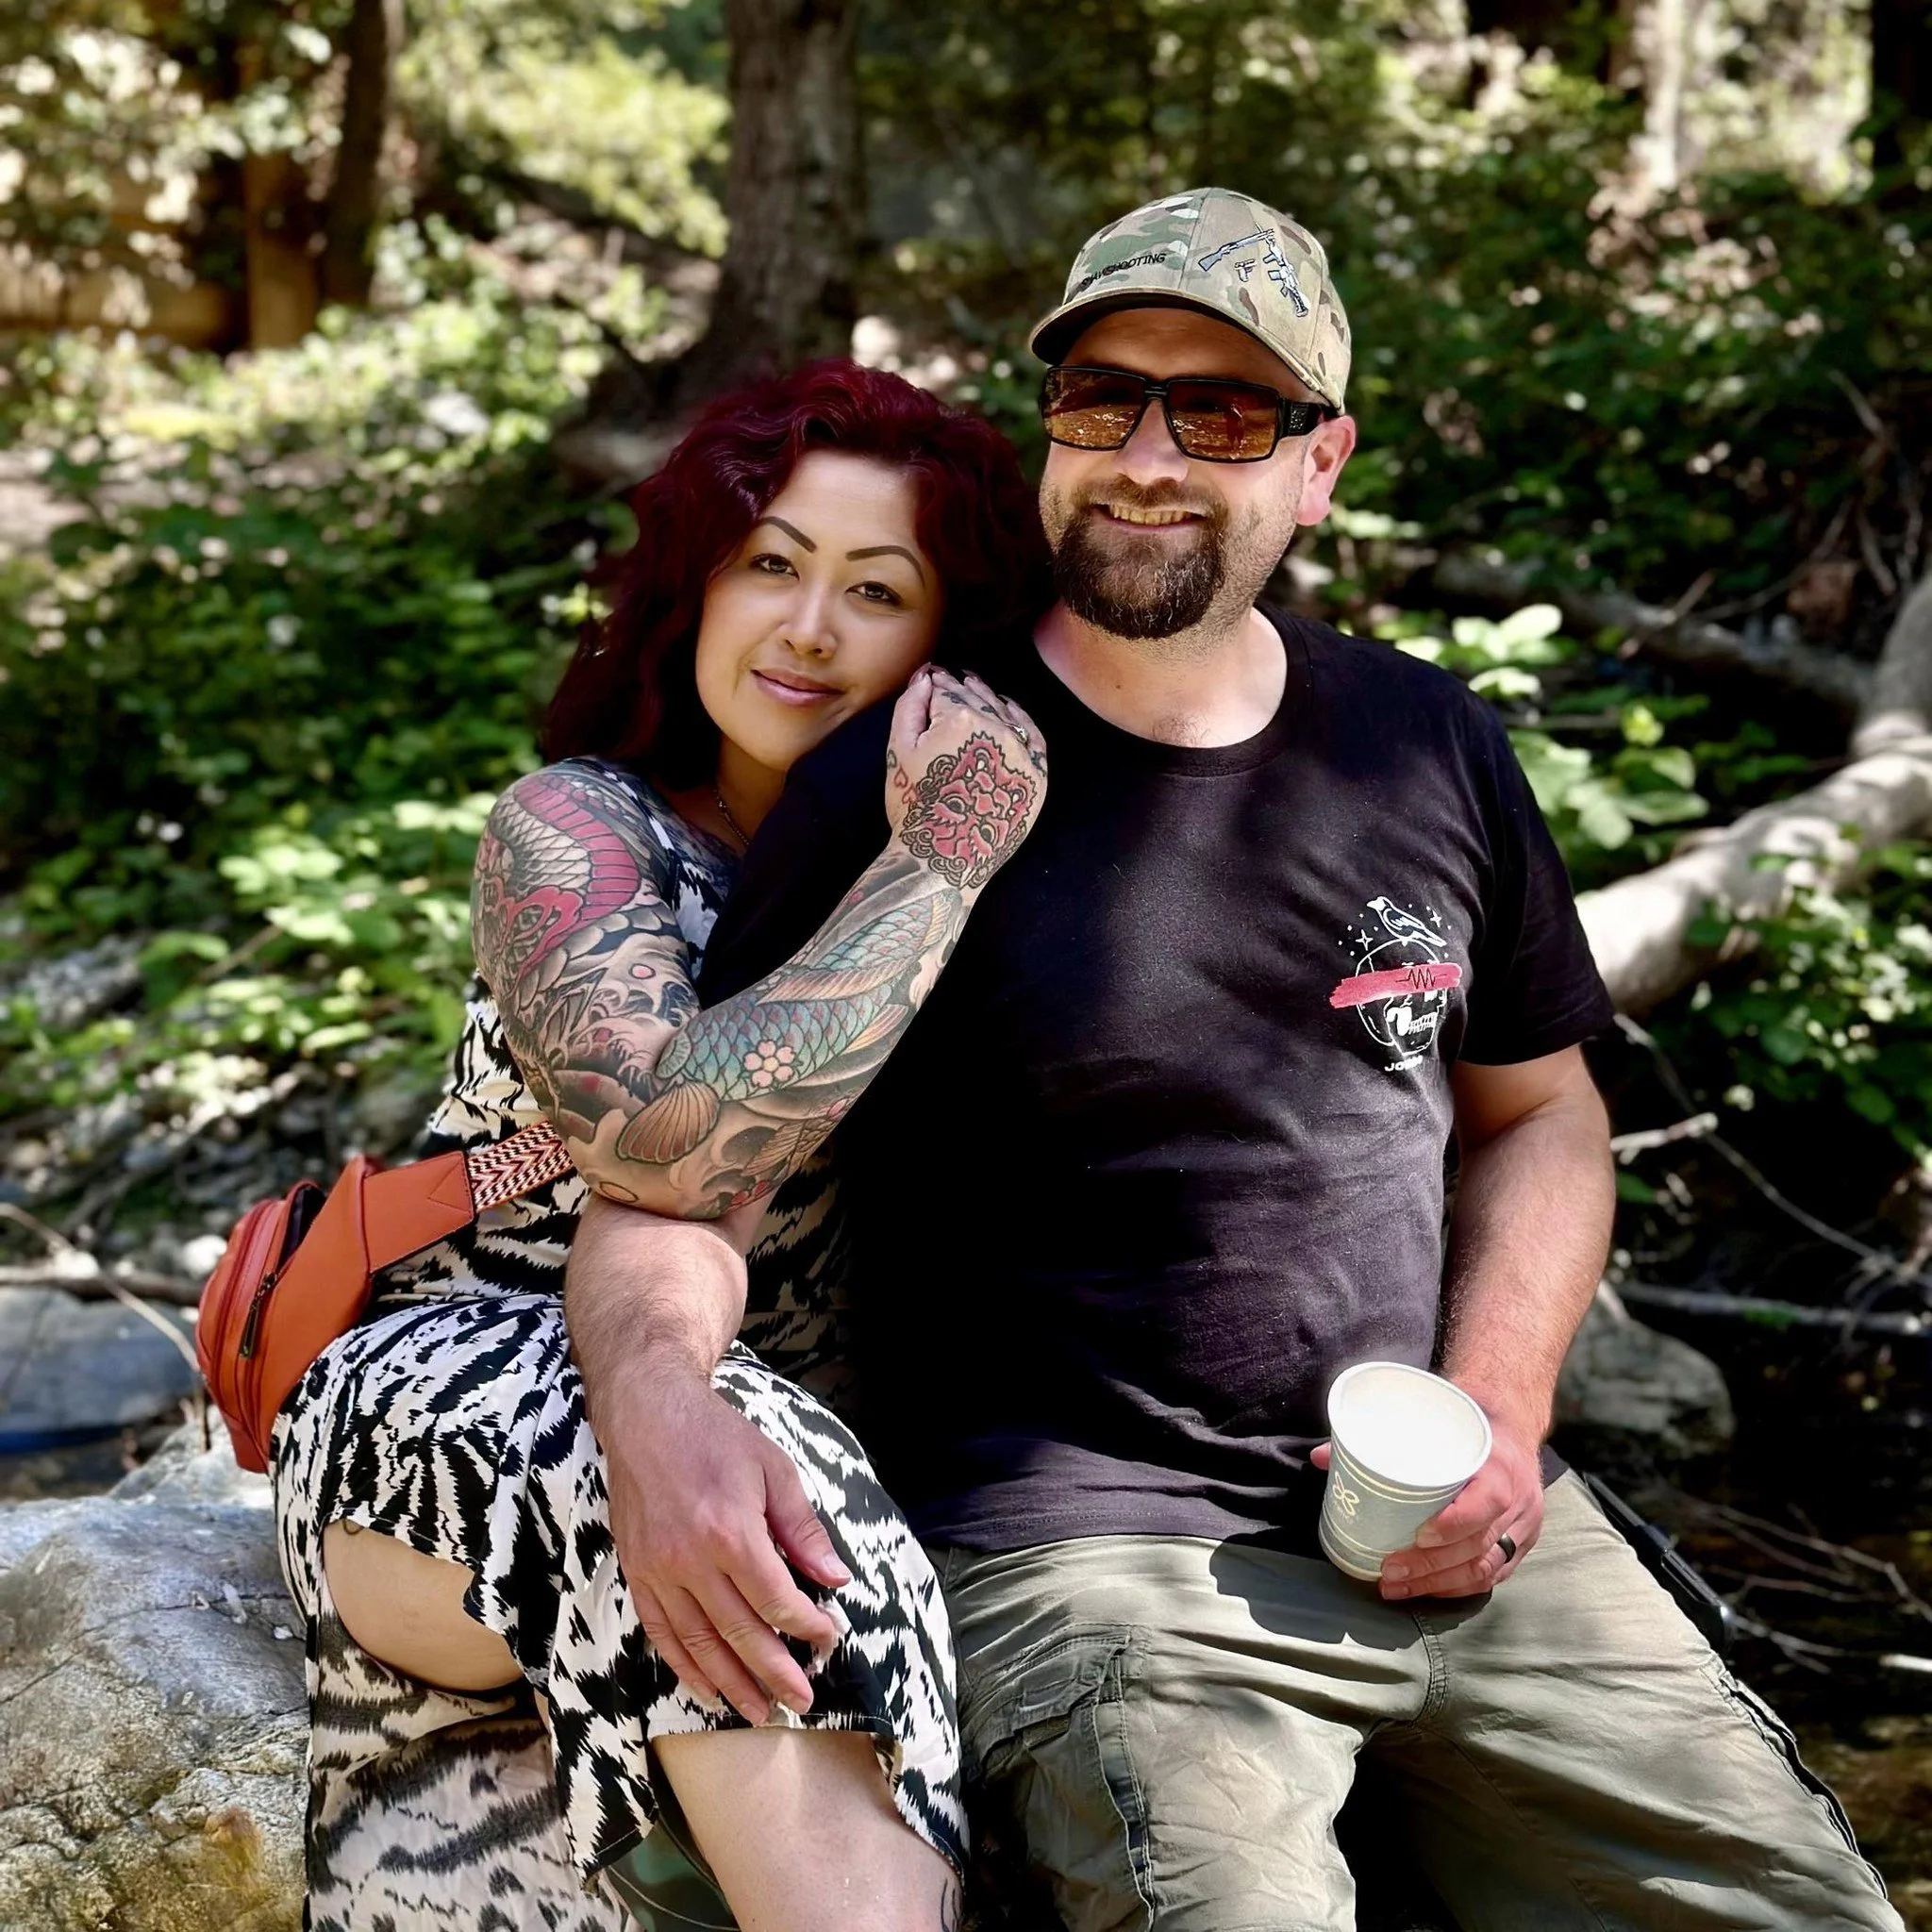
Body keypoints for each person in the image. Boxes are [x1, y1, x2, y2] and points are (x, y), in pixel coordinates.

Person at [563, 189, 1903, 1929]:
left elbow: (1544, 1113)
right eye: (1102, 398)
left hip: (1466, 1539)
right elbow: (675, 1188)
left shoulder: (1425, 740)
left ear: (1318, 465)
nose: (1146, 457)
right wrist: (655, 1411)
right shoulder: (910, 776)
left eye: (1223, 415)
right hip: (1094, 1560)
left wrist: (1501, 1410)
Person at [270, 359, 1051, 1931]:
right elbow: (667, 1148)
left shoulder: (977, 891)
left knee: (781, 1490)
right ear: (695, 588)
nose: (810, 629)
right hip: (440, 1407)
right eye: (771, 564)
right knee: (776, 1504)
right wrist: (947, 855)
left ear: (942, 655)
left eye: (875, 591)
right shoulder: (575, 831)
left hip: (746, 1453)